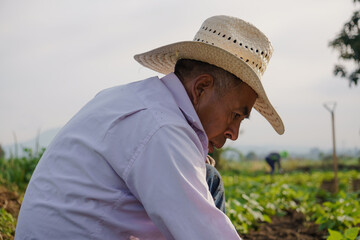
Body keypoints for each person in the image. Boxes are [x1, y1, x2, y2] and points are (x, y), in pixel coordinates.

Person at [15, 15, 284, 240]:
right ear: (201, 88)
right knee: (209, 182)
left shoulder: (133, 99)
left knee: (207, 176)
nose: (233, 133)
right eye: (236, 115)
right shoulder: (162, 129)